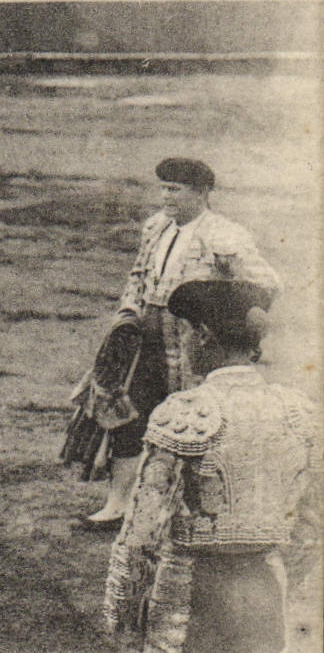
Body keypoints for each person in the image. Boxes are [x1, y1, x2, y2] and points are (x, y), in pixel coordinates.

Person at [103, 279, 318, 653]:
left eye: (183, 331)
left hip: (189, 589)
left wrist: (126, 618)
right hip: (265, 587)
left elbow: (141, 535)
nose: (180, 344)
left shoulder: (185, 411)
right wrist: (281, 579)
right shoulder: (298, 412)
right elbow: (313, 527)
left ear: (201, 335)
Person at [78, 158, 281, 529]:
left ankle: (192, 510)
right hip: (144, 337)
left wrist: (227, 314)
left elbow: (266, 284)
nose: (165, 196)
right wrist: (127, 313)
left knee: (192, 419)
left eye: (174, 190)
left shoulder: (225, 234)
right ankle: (119, 505)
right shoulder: (156, 226)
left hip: (193, 341)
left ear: (202, 193)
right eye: (163, 188)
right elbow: (138, 276)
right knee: (128, 415)